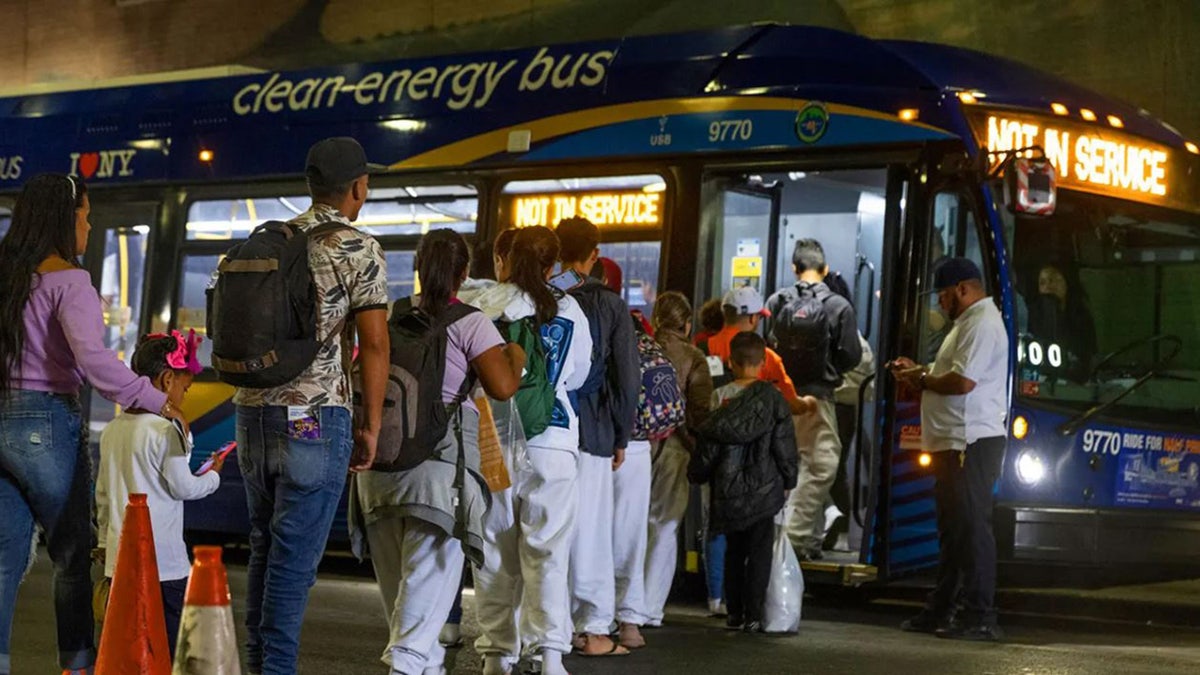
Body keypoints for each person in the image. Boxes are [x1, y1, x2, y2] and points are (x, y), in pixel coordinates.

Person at [0, 174, 185, 675]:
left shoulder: (8, 277)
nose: (88, 224)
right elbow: (94, 361)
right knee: (71, 558)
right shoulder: (70, 281)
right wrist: (153, 398)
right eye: (85, 214)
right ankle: (78, 666)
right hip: (45, 423)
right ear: (67, 217)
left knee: (3, 559)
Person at [231, 137, 390, 675]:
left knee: (263, 550)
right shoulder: (357, 247)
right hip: (316, 417)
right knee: (294, 564)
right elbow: (374, 343)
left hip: (251, 413)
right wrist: (369, 424)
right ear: (358, 188)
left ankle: (259, 668)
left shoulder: (270, 238)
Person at [354, 229, 525, 675]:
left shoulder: (389, 317)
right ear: (464, 274)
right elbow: (502, 388)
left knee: (400, 594)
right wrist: (517, 357)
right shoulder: (471, 322)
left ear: (417, 268)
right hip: (437, 472)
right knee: (426, 588)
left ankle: (420, 664)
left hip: (378, 469)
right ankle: (407, 667)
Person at [473, 226, 593, 675]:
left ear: (502, 259)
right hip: (554, 441)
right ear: (551, 267)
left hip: (493, 438)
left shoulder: (483, 305)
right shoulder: (570, 309)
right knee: (547, 549)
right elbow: (579, 374)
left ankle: (496, 654)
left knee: (492, 548)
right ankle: (549, 655)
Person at [890, 258, 1008, 642]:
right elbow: (954, 371)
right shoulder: (967, 324)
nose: (940, 304)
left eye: (943, 296)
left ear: (962, 289)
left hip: (968, 442)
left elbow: (961, 383)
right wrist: (920, 369)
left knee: (972, 529)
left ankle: (981, 617)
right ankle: (942, 609)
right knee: (954, 531)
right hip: (953, 442)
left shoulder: (981, 323)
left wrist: (921, 378)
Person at [95, 330, 222, 659]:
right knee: (167, 648)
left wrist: (105, 547)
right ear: (167, 380)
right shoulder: (166, 431)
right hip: (164, 566)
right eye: (184, 386)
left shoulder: (113, 429)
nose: (184, 394)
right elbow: (184, 486)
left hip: (120, 565)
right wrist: (214, 475)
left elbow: (104, 497)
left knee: (127, 647)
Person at [699, 285, 814, 613]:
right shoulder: (769, 359)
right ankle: (755, 608)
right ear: (751, 318)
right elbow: (788, 410)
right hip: (762, 472)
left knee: (719, 530)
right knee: (759, 541)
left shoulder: (703, 345)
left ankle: (717, 598)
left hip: (724, 467)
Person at [554, 218, 640, 656]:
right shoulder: (609, 304)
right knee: (590, 530)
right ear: (594, 254)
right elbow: (626, 375)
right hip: (593, 430)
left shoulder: (543, 292)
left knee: (550, 533)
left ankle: (550, 625)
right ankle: (591, 628)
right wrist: (622, 433)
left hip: (544, 429)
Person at [689, 331, 798, 634]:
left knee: (734, 550)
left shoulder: (720, 397)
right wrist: (790, 478)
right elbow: (784, 445)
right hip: (765, 490)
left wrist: (698, 473)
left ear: (731, 362)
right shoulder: (774, 400)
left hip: (729, 489)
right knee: (760, 552)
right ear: (763, 363)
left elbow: (710, 443)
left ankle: (734, 612)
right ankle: (754, 614)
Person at [766, 239, 862, 561]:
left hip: (779, 399)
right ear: (824, 270)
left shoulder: (777, 301)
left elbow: (768, 348)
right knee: (821, 465)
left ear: (795, 268)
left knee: (781, 467)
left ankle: (784, 538)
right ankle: (792, 542)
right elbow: (851, 356)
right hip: (818, 401)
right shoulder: (839, 306)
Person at [644, 291, 714, 627]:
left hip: (638, 445)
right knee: (664, 524)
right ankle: (650, 607)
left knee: (631, 524)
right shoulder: (694, 357)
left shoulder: (641, 346)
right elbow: (700, 412)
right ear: (687, 324)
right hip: (674, 447)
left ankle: (622, 604)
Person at [1026, 263, 1097, 377]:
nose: (1048, 286)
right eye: (1042, 283)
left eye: (1053, 280)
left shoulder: (1082, 317)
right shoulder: (1033, 316)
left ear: (1066, 282)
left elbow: (1088, 356)